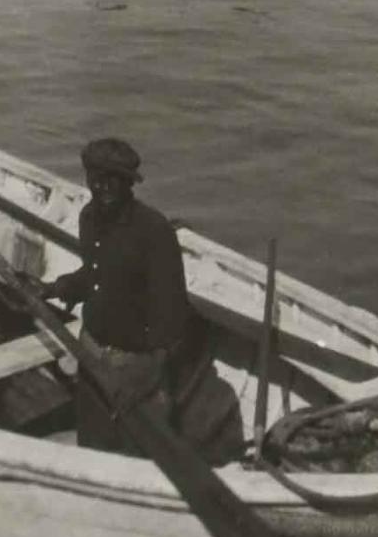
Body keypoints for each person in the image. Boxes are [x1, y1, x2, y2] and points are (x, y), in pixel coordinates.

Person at [42, 137, 242, 461]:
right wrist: (60, 287)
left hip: (135, 365)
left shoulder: (154, 230)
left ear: (128, 184)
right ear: (87, 178)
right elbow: (94, 275)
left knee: (141, 451)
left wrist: (148, 360)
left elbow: (173, 311)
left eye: (114, 180)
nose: (104, 187)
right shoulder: (89, 218)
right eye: (96, 178)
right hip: (91, 350)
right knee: (93, 444)